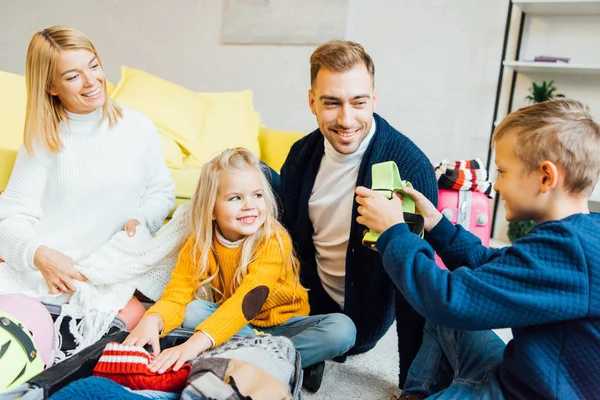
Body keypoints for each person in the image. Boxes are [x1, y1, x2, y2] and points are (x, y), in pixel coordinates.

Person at [355, 99, 600, 399]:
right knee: (450, 314)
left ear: (546, 177)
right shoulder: (578, 235)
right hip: (518, 371)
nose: (496, 186)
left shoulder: (568, 251)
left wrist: (393, 232)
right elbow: (492, 267)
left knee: (448, 304)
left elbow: (447, 299)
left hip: (522, 393)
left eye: (503, 171)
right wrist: (436, 224)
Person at [124, 148, 356, 392]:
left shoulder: (273, 240)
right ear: (211, 209)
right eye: (235, 198)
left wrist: (191, 347)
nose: (249, 206)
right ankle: (286, 361)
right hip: (237, 324)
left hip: (284, 322)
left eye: (257, 195)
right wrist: (153, 320)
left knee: (342, 330)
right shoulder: (199, 243)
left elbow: (247, 302)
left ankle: (253, 356)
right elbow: (177, 295)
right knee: (192, 311)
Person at [279, 39, 438, 386]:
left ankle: (297, 352)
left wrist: (415, 385)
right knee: (252, 177)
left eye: (358, 102)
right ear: (312, 102)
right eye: (332, 103)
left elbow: (416, 279)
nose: (346, 119)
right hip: (303, 302)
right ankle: (299, 351)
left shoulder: (409, 166)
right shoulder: (300, 155)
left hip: (359, 320)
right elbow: (285, 242)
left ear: (374, 98)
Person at [0, 26, 174, 329]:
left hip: (106, 276)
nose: (92, 80)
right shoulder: (43, 140)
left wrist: (142, 218)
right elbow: (10, 217)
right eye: (72, 76)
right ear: (51, 87)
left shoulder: (137, 126)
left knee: (133, 323)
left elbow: (161, 191)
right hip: (48, 277)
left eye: (93, 65)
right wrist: (39, 255)